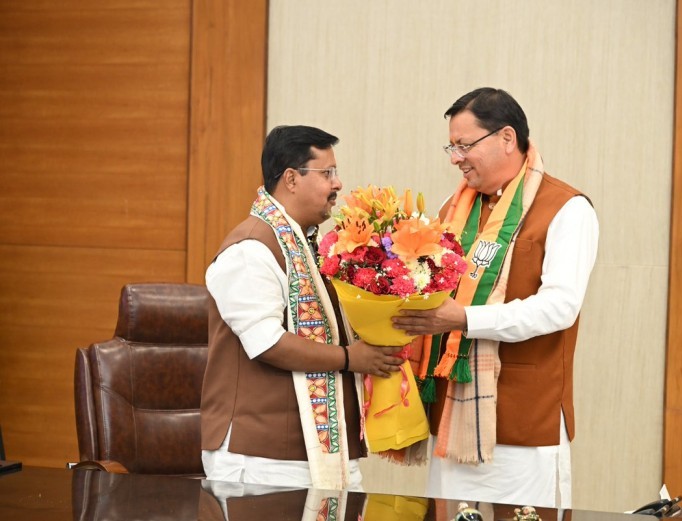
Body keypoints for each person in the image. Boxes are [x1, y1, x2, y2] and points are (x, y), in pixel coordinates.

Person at [393, 88, 599, 508]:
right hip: (451, 418)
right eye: (452, 147)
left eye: (464, 145)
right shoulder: (453, 208)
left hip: (525, 421)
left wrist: (465, 319)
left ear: (507, 138)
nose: (456, 158)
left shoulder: (567, 208)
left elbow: (559, 308)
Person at [200, 125, 404, 491]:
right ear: (291, 179)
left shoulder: (313, 247)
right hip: (262, 458)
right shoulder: (250, 249)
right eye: (327, 173)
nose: (338, 184)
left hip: (322, 455)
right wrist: (350, 359)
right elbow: (267, 343)